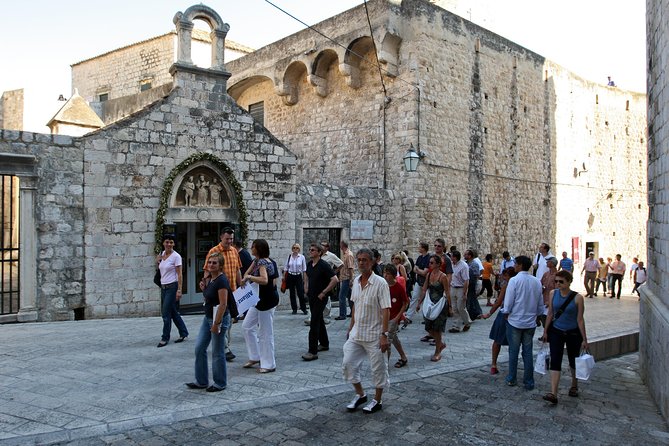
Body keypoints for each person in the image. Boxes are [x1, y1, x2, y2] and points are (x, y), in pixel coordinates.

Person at [343, 248, 391, 414]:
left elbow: (386, 309)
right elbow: (355, 305)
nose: (362, 263)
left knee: (378, 368)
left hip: (374, 334)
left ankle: (377, 400)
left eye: (365, 260)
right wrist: (350, 327)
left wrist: (384, 335)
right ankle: (360, 394)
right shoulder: (356, 281)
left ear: (372, 262)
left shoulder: (380, 283)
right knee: (348, 363)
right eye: (359, 260)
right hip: (357, 332)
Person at [540, 270, 588, 405]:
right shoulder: (552, 294)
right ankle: (553, 393)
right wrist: (545, 331)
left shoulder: (578, 298)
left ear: (568, 282)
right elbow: (550, 313)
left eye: (561, 282)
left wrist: (585, 338)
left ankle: (574, 384)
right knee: (555, 359)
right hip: (556, 331)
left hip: (573, 332)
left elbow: (580, 319)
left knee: (573, 359)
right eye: (556, 281)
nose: (558, 284)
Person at [186, 252, 230, 392]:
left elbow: (223, 304)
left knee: (217, 353)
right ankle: (201, 381)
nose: (210, 265)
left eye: (214, 263)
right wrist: (204, 289)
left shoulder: (222, 280)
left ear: (220, 265)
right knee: (199, 348)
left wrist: (216, 324)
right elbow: (209, 298)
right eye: (210, 262)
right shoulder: (210, 279)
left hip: (218, 319)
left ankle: (220, 383)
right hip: (208, 318)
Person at [502, 255, 544, 390]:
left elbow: (508, 302)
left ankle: (512, 378)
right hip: (530, 321)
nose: (514, 266)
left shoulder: (514, 281)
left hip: (515, 320)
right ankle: (529, 381)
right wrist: (537, 316)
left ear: (520, 265)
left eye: (515, 264)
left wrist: (506, 313)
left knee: (513, 351)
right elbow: (540, 302)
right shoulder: (536, 281)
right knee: (527, 351)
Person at [202, 227, 243, 362]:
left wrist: (240, 283)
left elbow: (237, 269)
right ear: (221, 238)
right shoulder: (214, 252)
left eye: (231, 239)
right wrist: (205, 286)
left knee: (229, 322)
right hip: (216, 293)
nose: (229, 241)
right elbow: (207, 271)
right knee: (220, 318)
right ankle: (224, 348)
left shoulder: (234, 251)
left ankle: (225, 346)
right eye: (227, 239)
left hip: (232, 292)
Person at [241, 239, 279, 374]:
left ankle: (269, 364)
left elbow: (265, 280)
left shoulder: (263, 262)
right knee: (247, 326)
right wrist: (247, 277)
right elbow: (246, 274)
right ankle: (255, 356)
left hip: (266, 301)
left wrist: (250, 277)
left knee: (265, 333)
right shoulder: (258, 261)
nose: (251, 248)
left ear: (259, 249)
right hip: (258, 300)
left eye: (253, 246)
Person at [302, 244, 338, 361]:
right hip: (312, 296)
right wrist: (306, 287)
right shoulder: (309, 264)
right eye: (310, 249)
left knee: (314, 322)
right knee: (319, 319)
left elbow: (335, 280)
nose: (310, 251)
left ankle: (312, 351)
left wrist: (324, 292)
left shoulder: (324, 265)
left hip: (321, 297)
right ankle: (324, 343)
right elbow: (306, 275)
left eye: (313, 250)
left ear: (319, 252)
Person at [480, 267, 517, 375]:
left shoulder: (506, 286)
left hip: (505, 314)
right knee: (513, 342)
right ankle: (512, 365)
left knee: (497, 340)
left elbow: (498, 302)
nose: (502, 277)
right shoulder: (519, 285)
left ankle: (494, 364)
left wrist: (489, 313)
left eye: (504, 275)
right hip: (516, 315)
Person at [416, 255, 453, 361]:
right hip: (430, 303)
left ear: (437, 264)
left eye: (432, 263)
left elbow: (447, 292)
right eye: (430, 262)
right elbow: (424, 289)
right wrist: (419, 303)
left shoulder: (443, 276)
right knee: (428, 326)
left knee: (437, 329)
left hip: (440, 305)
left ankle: (437, 352)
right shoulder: (429, 274)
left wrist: (450, 307)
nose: (429, 264)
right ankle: (440, 343)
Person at [156, 235, 188, 348]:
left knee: (165, 313)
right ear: (163, 243)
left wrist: (179, 290)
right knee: (173, 312)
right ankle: (183, 332)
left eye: (171, 242)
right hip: (163, 287)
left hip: (172, 287)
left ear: (174, 244)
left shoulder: (176, 256)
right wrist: (157, 261)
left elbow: (179, 274)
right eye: (167, 242)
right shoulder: (162, 254)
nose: (169, 244)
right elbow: (160, 270)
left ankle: (165, 337)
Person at [383, 264, 409, 368]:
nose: (385, 275)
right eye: (384, 273)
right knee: (393, 338)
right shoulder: (383, 286)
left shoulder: (398, 287)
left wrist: (398, 317)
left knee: (387, 342)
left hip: (393, 318)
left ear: (393, 275)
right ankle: (403, 357)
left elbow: (405, 302)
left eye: (388, 274)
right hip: (385, 317)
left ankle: (384, 366)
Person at [405, 242, 431, 324]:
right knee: (414, 297)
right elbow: (414, 269)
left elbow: (425, 272)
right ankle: (408, 316)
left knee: (427, 299)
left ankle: (427, 317)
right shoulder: (420, 257)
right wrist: (420, 271)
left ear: (423, 248)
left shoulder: (428, 258)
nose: (418, 248)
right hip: (419, 281)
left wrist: (418, 270)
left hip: (426, 282)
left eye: (420, 247)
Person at [448, 251, 471, 333]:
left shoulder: (463, 266)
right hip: (453, 287)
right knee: (454, 308)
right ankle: (456, 326)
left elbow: (466, 280)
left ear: (455, 257)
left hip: (461, 288)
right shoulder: (451, 265)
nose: (450, 258)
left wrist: (465, 293)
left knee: (460, 307)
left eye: (451, 256)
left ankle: (467, 322)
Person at [283, 243, 308, 315]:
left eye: (297, 248)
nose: (295, 249)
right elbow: (286, 267)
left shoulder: (302, 257)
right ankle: (294, 309)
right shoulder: (289, 257)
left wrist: (304, 279)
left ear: (299, 249)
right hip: (291, 275)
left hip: (298, 276)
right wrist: (284, 277)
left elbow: (304, 269)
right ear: (292, 249)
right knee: (292, 293)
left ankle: (303, 309)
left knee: (300, 293)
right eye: (294, 248)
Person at [335, 241, 355, 320]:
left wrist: (351, 280)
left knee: (341, 296)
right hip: (344, 278)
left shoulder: (349, 255)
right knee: (350, 297)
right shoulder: (345, 254)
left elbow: (350, 268)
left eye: (340, 245)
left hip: (346, 278)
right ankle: (353, 312)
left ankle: (342, 314)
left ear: (342, 245)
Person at [539, 257, 558, 332]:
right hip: (544, 298)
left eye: (548, 262)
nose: (546, 263)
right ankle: (546, 333)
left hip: (552, 300)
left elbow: (557, 290)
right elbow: (541, 284)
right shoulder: (546, 274)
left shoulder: (557, 275)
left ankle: (548, 334)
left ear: (552, 264)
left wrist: (551, 301)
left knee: (549, 318)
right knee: (543, 317)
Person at [464, 249, 483, 320]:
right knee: (472, 299)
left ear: (470, 256)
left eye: (466, 254)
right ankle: (477, 313)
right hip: (468, 284)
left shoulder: (474, 264)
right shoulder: (466, 263)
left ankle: (472, 314)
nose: (464, 256)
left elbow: (476, 275)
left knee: (470, 299)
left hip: (472, 284)